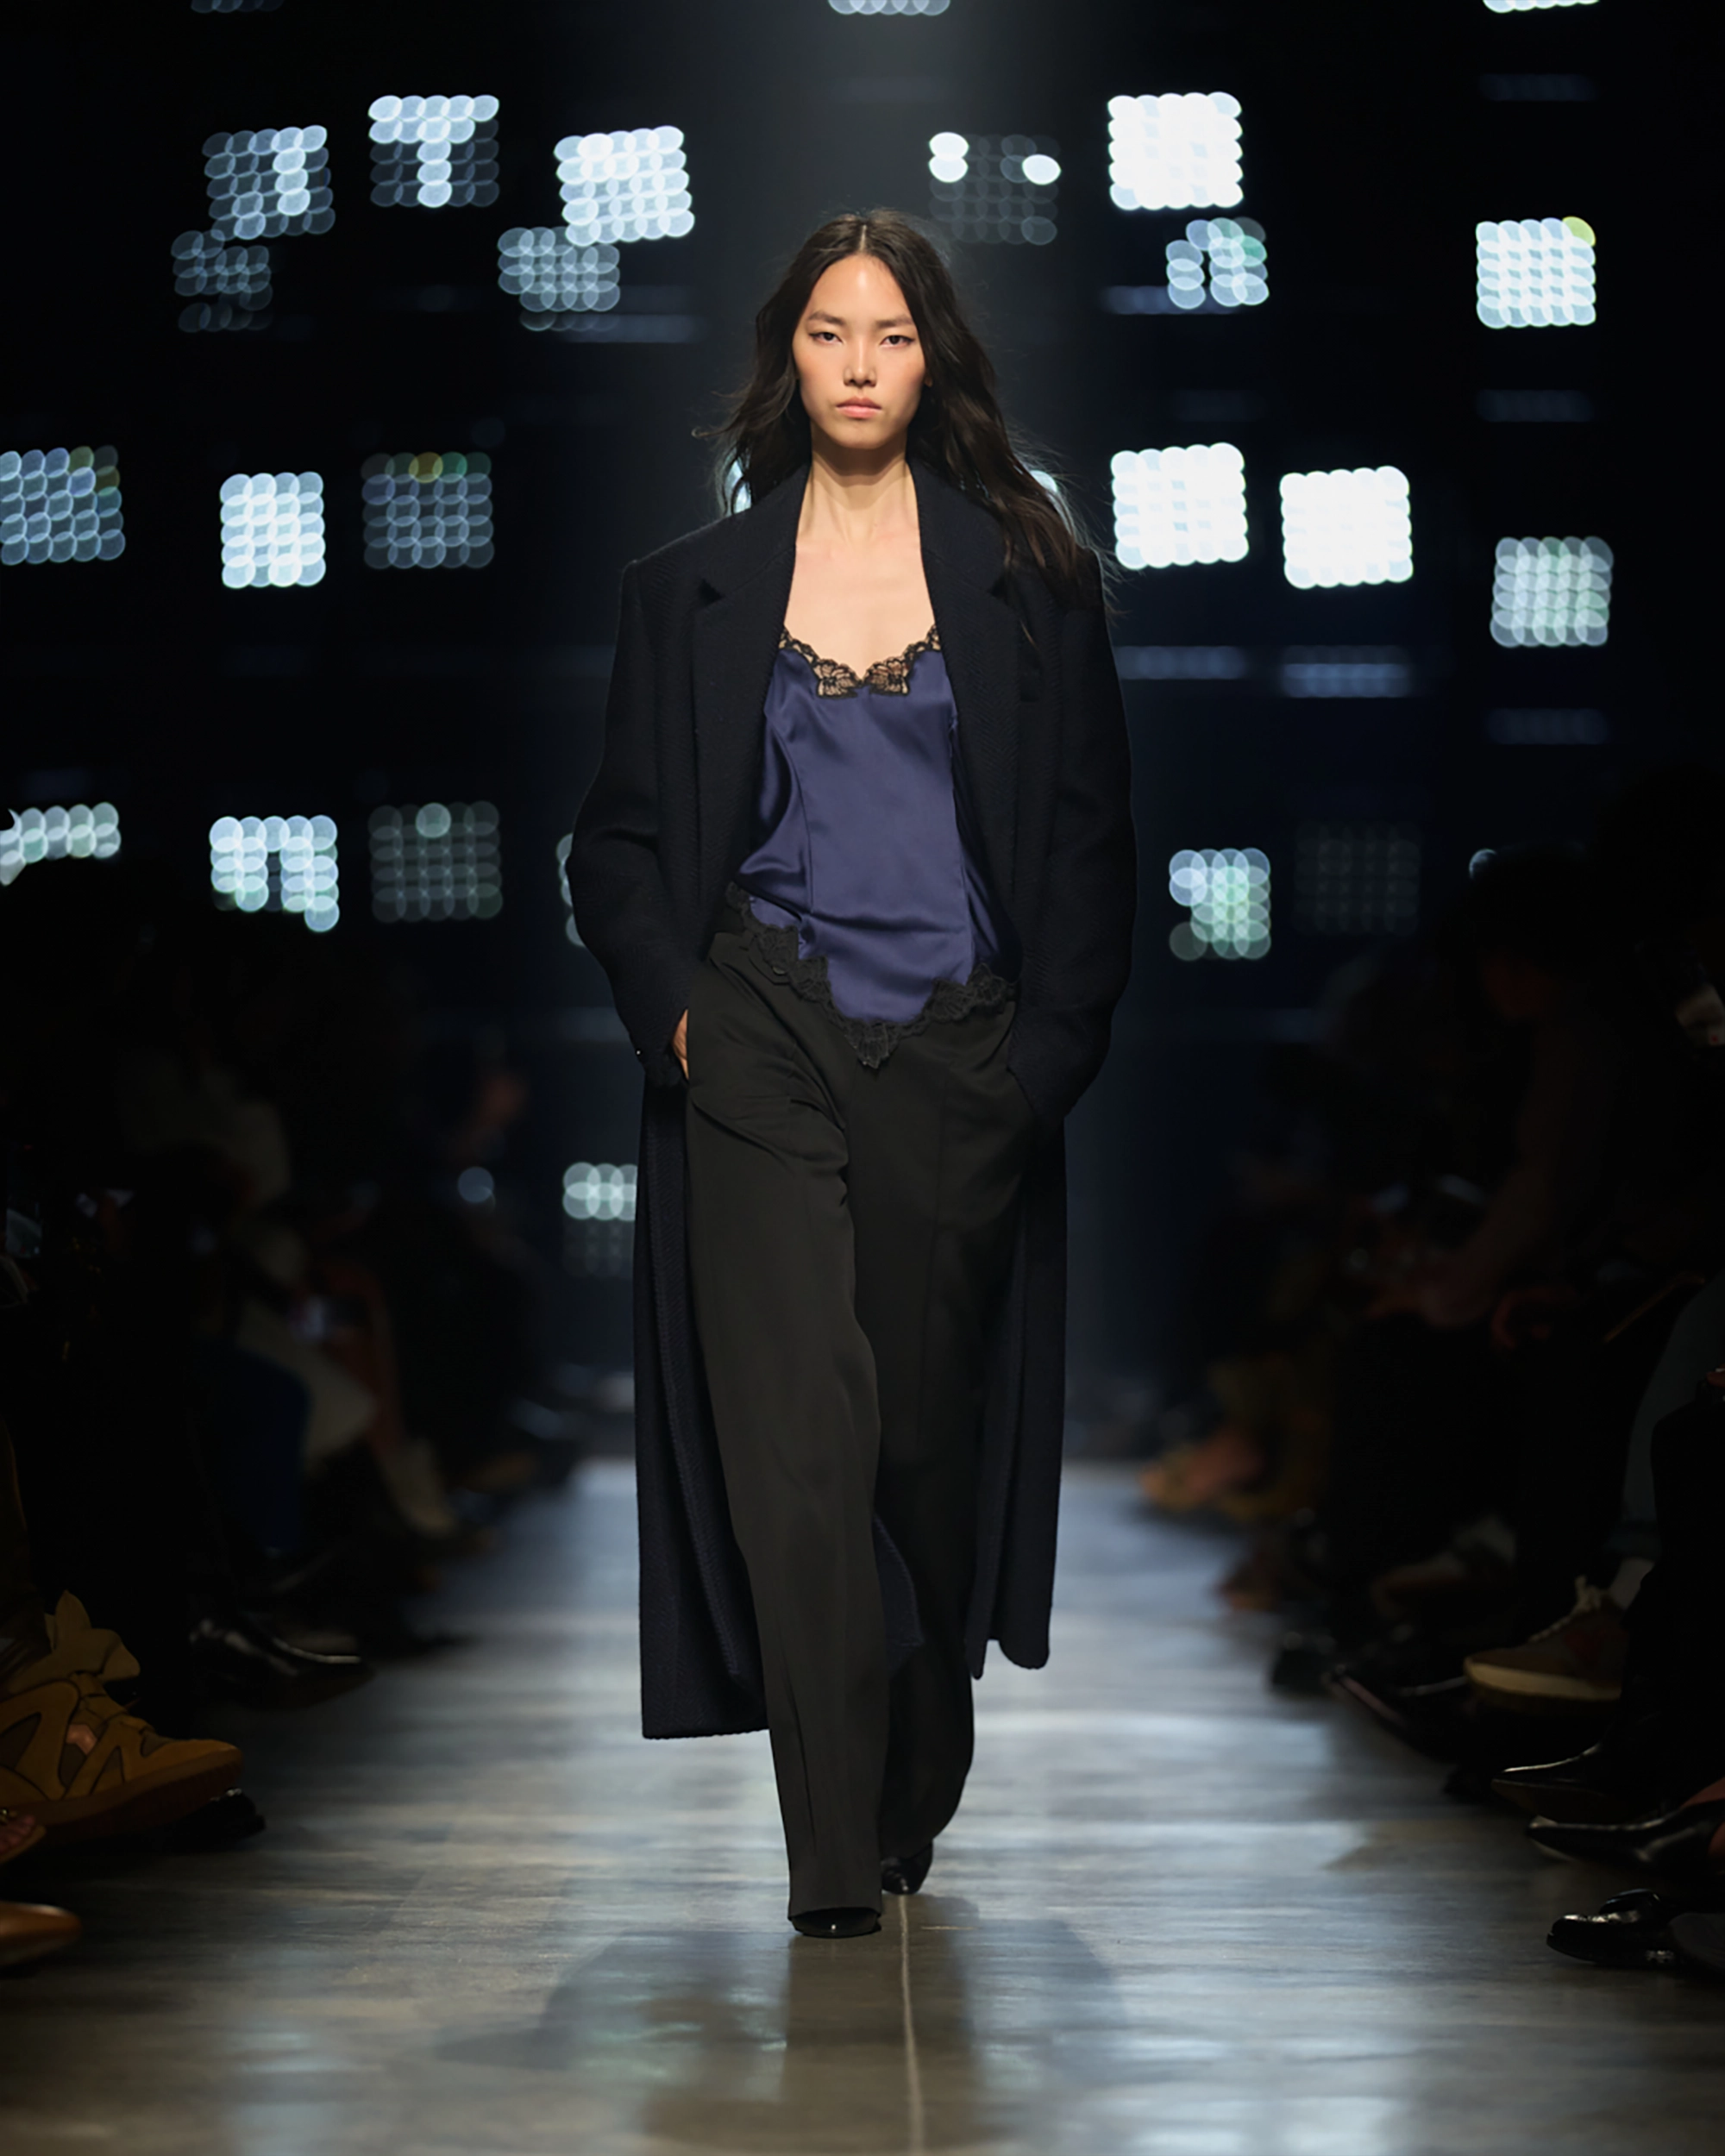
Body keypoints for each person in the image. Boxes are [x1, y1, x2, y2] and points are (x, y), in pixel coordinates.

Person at [568, 210, 1136, 1937]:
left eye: (892, 333)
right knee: (799, 1440)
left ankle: (913, 1750)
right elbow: (618, 843)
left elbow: (1090, 844)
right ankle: (827, 1851)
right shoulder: (687, 591)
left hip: (959, 1054)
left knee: (920, 1452)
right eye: (831, 332)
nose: (862, 364)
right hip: (759, 1029)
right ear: (787, 357)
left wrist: (1039, 1068)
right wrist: (678, 1014)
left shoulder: (1032, 582)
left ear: (932, 357)